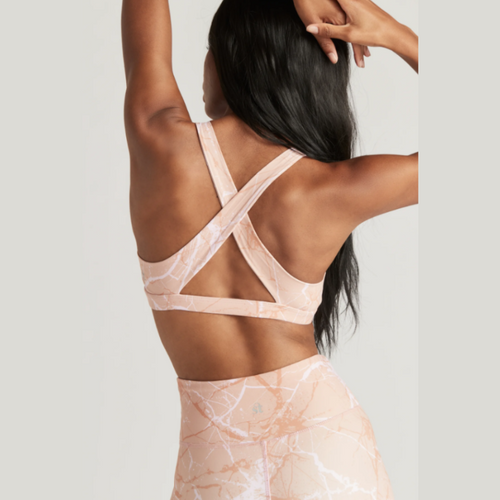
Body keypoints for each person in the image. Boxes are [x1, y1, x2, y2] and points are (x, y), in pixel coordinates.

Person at [121, 0, 417, 497]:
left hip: (211, 454)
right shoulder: (331, 189)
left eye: (211, 48)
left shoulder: (157, 142)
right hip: (324, 441)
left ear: (236, 59)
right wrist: (396, 33)